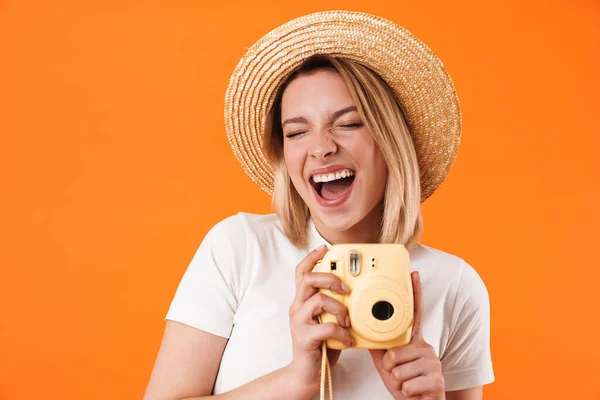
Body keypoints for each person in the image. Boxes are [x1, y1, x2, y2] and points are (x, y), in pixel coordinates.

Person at [144, 11, 494, 400]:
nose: (321, 147)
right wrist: (296, 380)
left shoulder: (458, 285)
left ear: (390, 141)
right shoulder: (238, 248)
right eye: (296, 131)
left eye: (348, 123)